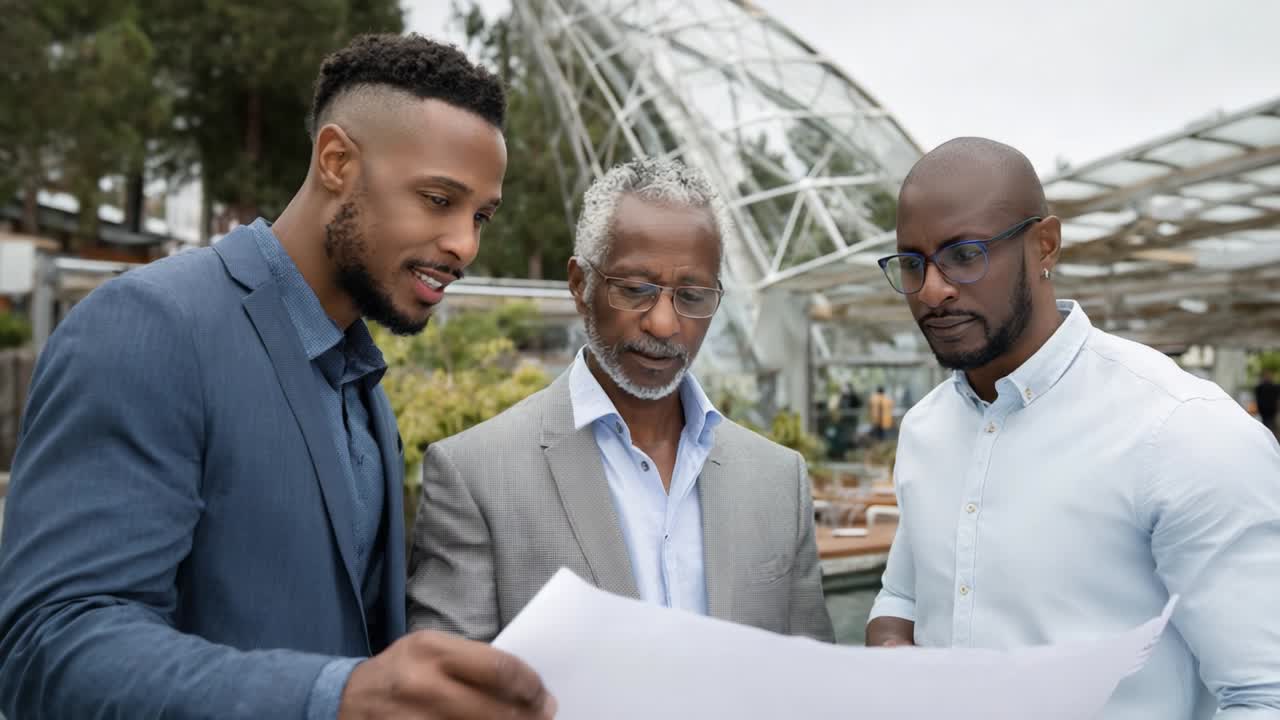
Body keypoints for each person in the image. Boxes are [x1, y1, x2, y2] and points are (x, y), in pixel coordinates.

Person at [0, 34, 555, 720]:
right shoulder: (148, 325)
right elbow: (52, 648)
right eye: (439, 199)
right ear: (336, 161)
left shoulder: (359, 382)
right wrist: (335, 697)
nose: (465, 244)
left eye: (481, 216)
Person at [865, 136, 1280, 718]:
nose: (933, 289)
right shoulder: (926, 430)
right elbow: (904, 595)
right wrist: (891, 648)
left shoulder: (1182, 433)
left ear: (1045, 245)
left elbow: (1263, 694)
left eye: (965, 254)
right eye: (913, 263)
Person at [407, 158, 834, 643]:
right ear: (579, 285)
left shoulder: (779, 481)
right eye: (634, 290)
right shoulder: (476, 476)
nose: (664, 324)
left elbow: (812, 681)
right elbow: (449, 698)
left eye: (692, 296)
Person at [1256, 369, 1278, 437]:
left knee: (1269, 424)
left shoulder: (1272, 386)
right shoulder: (1261, 387)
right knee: (1267, 424)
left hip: (1270, 410)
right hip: (1265, 410)